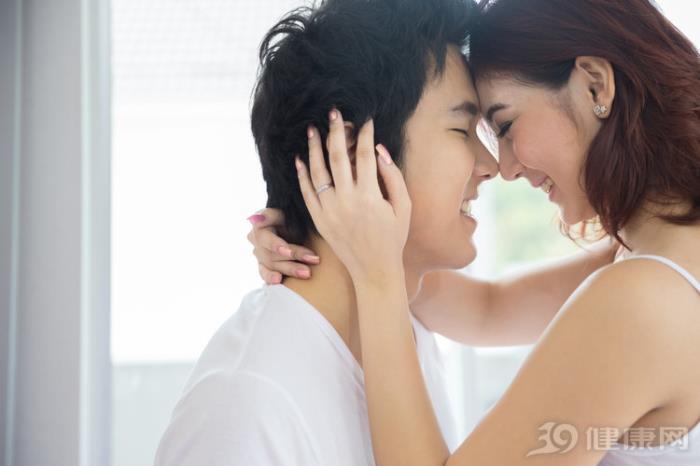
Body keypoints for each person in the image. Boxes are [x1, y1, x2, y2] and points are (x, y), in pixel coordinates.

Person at [253, 0, 700, 464]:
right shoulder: (661, 257)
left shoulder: (644, 300)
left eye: (505, 125)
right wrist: (329, 240)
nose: (503, 167)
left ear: (594, 85)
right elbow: (487, 310)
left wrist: (377, 277)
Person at [156, 0, 494, 464]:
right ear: (353, 157)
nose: (492, 165)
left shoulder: (406, 323)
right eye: (461, 130)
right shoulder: (244, 407)